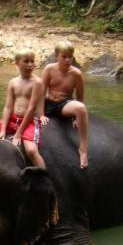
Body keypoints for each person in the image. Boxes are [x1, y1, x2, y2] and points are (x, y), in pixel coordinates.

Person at [0, 52, 47, 169]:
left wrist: (19, 133)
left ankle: (45, 178)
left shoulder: (37, 83)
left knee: (31, 151)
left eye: (32, 61)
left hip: (30, 121)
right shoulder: (13, 82)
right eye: (26, 61)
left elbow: (32, 108)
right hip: (13, 119)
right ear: (17, 63)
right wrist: (2, 130)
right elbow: (7, 107)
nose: (30, 65)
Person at [41, 40, 89, 168]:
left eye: (70, 57)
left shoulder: (76, 74)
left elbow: (79, 97)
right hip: (48, 102)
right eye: (64, 57)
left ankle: (83, 149)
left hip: (64, 104)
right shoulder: (49, 69)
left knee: (81, 108)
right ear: (56, 56)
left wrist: (76, 117)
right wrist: (40, 114)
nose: (68, 60)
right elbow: (40, 92)